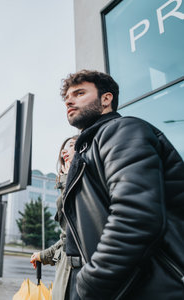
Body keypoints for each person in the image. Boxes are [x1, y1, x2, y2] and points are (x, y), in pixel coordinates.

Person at [60, 70, 184, 299]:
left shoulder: (121, 131)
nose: (69, 100)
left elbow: (136, 217)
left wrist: (90, 283)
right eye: (67, 96)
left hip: (145, 288)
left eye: (79, 93)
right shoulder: (89, 147)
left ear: (106, 99)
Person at [30, 135, 78, 300]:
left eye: (71, 145)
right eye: (64, 147)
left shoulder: (83, 185)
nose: (65, 150)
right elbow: (66, 238)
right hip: (64, 273)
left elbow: (73, 229)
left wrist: (66, 182)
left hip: (73, 275)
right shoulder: (67, 184)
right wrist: (43, 256)